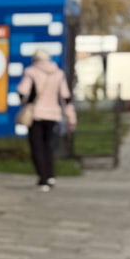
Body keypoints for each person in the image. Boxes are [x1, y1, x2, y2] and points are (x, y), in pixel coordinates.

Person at [16, 50, 76, 190]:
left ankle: (43, 178)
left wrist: (27, 102)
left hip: (36, 114)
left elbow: (22, 92)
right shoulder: (58, 73)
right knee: (48, 146)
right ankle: (50, 176)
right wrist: (71, 117)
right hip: (53, 115)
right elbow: (65, 97)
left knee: (37, 147)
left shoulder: (31, 72)